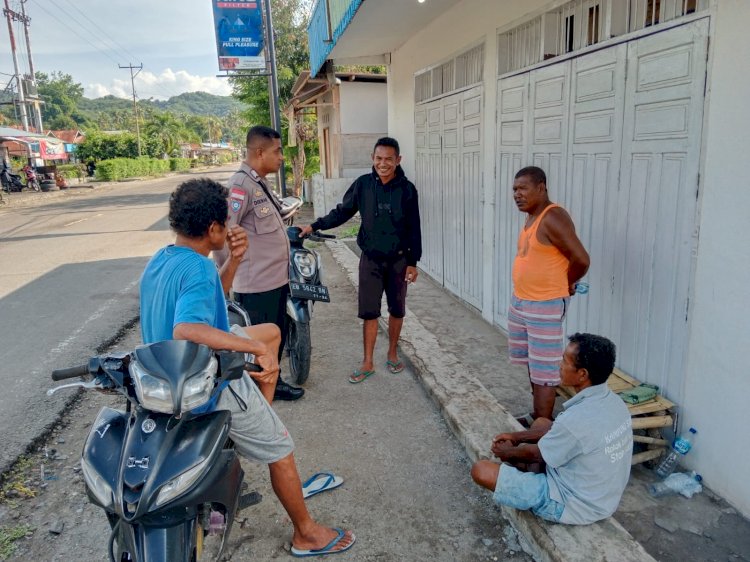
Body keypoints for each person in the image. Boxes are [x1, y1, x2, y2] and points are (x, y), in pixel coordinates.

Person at [139, 177, 355, 557]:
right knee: (282, 449)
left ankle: (256, 425)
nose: (232, 227)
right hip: (205, 384)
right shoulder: (200, 269)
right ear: (212, 229)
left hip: (166, 377)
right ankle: (305, 532)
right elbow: (188, 327)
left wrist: (235, 261)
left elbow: (209, 302)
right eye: (227, 222)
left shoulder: (162, 261)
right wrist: (252, 346)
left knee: (271, 332)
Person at [471, 333, 632, 525]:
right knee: (541, 423)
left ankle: (531, 479)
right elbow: (563, 432)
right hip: (603, 498)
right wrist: (514, 436)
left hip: (573, 504)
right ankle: (530, 472)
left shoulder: (576, 421)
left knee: (481, 470)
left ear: (582, 374)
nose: (559, 364)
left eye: (565, 360)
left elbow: (537, 454)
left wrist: (507, 452)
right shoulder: (615, 402)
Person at [299, 137, 422, 384]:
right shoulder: (363, 185)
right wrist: (314, 225)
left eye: (389, 159)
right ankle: (367, 361)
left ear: (398, 160)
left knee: (397, 309)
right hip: (371, 260)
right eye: (378, 159)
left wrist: (413, 262)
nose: (383, 164)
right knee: (369, 312)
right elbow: (342, 211)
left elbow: (414, 227)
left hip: (399, 261)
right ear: (372, 158)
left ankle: (392, 353)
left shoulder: (407, 190)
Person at [214, 125, 304, 402]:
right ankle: (254, 394)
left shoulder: (258, 181)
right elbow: (225, 235)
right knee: (257, 343)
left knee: (276, 335)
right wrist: (226, 279)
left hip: (274, 279)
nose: (281, 157)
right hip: (256, 284)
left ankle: (272, 383)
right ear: (259, 151)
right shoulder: (241, 186)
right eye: (277, 152)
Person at [509, 166, 590, 424]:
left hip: (544, 304)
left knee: (544, 370)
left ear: (541, 187)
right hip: (522, 300)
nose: (517, 194)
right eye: (514, 189)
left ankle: (542, 430)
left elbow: (581, 259)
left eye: (523, 188)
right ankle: (538, 417)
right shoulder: (532, 216)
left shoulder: (553, 217)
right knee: (534, 363)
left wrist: (566, 284)